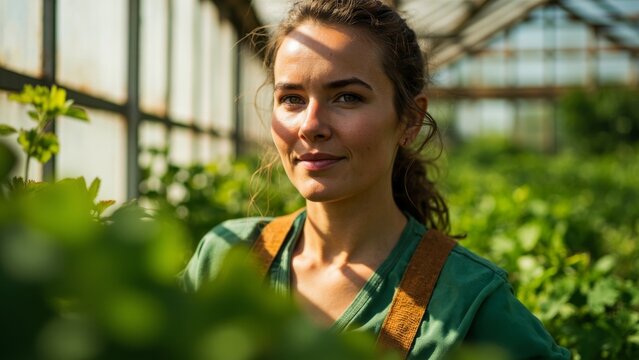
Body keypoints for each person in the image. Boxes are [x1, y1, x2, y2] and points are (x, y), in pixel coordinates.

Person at [181, 0, 570, 358]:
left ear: (410, 120)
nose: (311, 126)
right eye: (292, 99)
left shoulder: (466, 298)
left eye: (347, 97)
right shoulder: (226, 257)